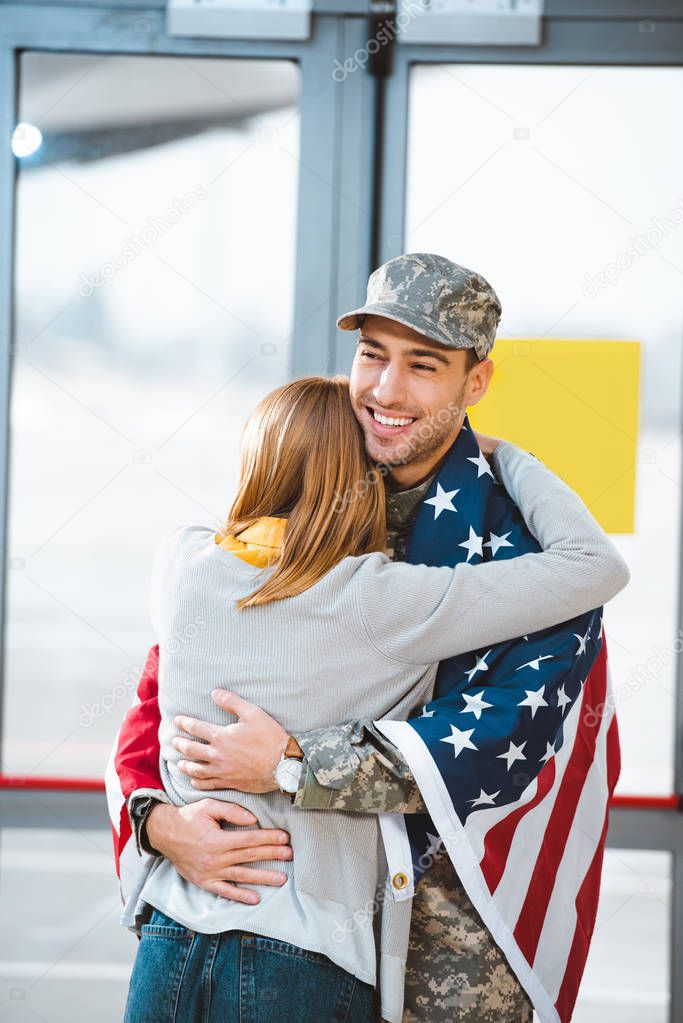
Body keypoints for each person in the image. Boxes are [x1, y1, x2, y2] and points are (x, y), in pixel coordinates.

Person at [110, 253, 630, 1023]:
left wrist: (291, 763)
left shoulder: (513, 548)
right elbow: (162, 696)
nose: (385, 389)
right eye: (371, 354)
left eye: (422, 365)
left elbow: (496, 738)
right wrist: (158, 822)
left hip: (448, 965)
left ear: (474, 383)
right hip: (281, 937)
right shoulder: (306, 506)